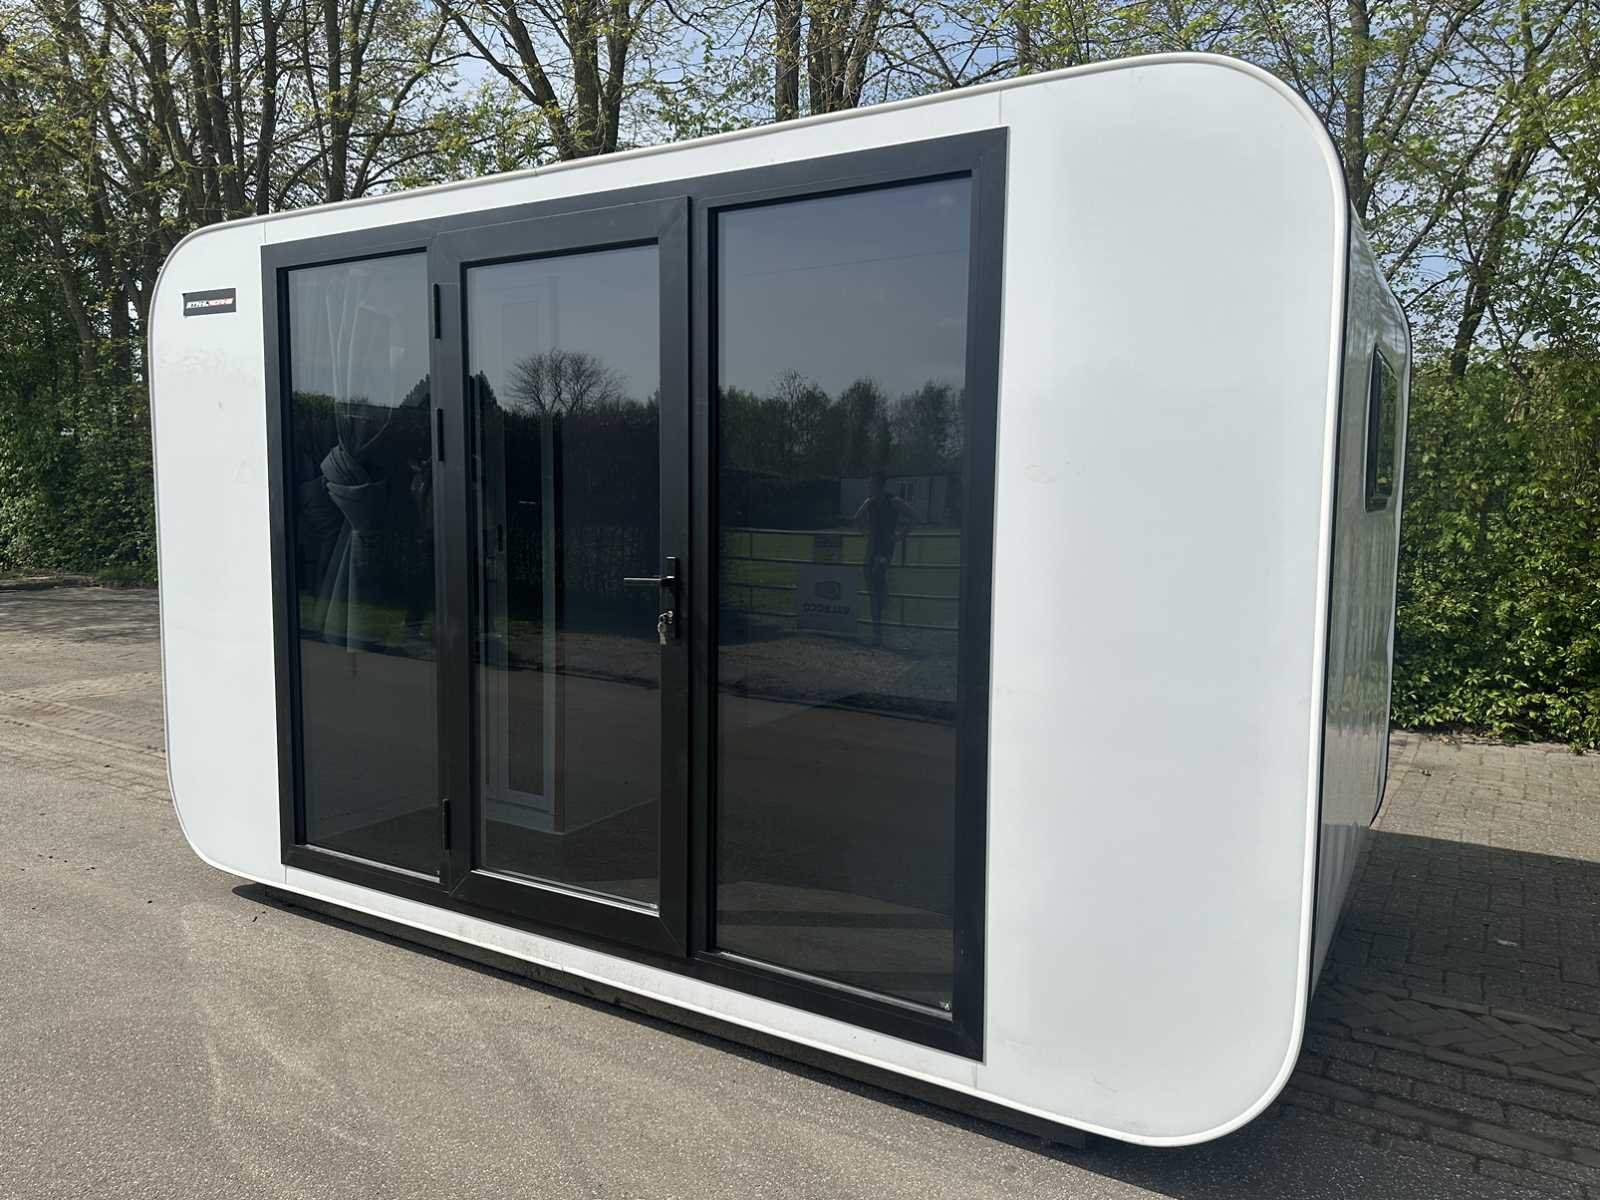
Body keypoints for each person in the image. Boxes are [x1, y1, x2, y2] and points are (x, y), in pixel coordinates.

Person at [852, 471, 919, 646]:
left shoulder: (893, 501)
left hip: (884, 551)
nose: (869, 488)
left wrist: (900, 536)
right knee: (873, 594)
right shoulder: (870, 502)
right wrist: (866, 532)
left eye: (871, 485)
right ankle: (878, 632)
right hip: (871, 551)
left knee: (877, 581)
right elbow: (856, 518)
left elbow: (914, 516)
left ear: (879, 485)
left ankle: (880, 623)